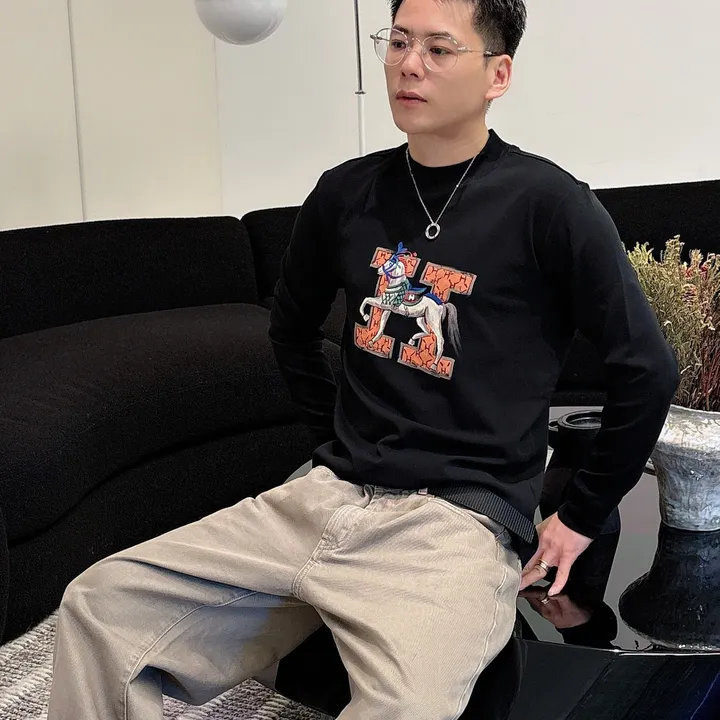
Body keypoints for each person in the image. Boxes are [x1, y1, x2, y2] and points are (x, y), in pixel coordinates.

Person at [47, 1, 680, 718]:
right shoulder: (346, 192)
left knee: (405, 707)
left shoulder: (551, 205)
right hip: (326, 497)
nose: (409, 64)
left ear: (497, 74)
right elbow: (290, 329)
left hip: (454, 524)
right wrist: (338, 442)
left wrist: (580, 516)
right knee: (100, 606)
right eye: (398, 42)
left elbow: (646, 369)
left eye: (439, 48)